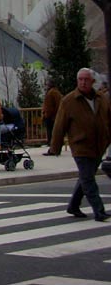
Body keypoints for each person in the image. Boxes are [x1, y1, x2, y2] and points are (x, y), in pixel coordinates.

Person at [50, 67, 110, 221]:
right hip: (81, 145)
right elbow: (59, 125)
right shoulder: (69, 101)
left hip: (99, 144)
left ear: (92, 81)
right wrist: (55, 147)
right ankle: (99, 210)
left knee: (86, 176)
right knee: (88, 179)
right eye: (80, 79)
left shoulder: (101, 99)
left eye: (86, 79)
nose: (83, 82)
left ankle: (73, 205)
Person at [42, 80, 63, 155]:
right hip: (53, 116)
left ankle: (53, 149)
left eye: (48, 84)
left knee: (51, 133)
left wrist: (47, 114)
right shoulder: (55, 92)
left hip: (51, 117)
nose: (46, 85)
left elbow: (50, 106)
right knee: (52, 133)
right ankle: (53, 148)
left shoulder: (52, 93)